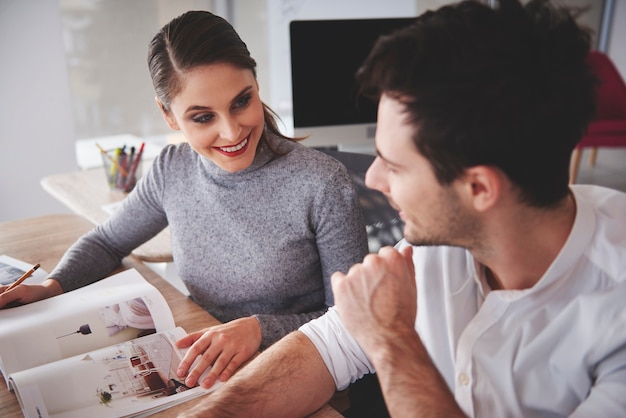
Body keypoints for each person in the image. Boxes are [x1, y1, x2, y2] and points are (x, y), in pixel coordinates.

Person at [174, 0, 626, 416]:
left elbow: (375, 338)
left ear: (478, 188)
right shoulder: (444, 239)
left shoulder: (615, 317)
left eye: (393, 166)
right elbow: (332, 347)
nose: (372, 180)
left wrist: (392, 340)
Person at [0, 10, 368, 391]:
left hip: (299, 368)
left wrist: (260, 329)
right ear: (169, 116)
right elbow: (107, 241)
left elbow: (353, 322)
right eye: (203, 117)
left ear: (256, 83)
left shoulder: (323, 183)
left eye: (242, 101)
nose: (231, 131)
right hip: (202, 358)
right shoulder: (171, 170)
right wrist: (50, 288)